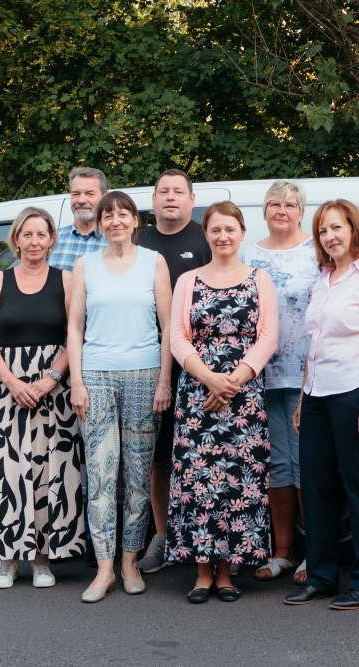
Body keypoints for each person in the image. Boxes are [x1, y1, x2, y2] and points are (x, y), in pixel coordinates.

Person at [284, 199, 359, 611]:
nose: (330, 237)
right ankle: (322, 577)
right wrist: (301, 398)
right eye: (323, 231)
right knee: (314, 488)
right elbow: (314, 347)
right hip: (315, 397)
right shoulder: (323, 279)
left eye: (336, 228)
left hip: (355, 394)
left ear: (354, 230)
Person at [166, 201, 279, 603]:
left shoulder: (258, 278)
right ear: (206, 234)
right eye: (215, 230)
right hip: (197, 394)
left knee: (237, 482)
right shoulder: (189, 280)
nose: (223, 236)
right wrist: (209, 378)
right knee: (199, 483)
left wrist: (234, 381)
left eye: (230, 229)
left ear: (242, 233)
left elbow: (267, 336)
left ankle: (228, 572)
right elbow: (177, 336)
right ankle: (201, 572)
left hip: (244, 395)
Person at [0, 207, 85, 589]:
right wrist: (13, 383)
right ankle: (5, 560)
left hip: (54, 390)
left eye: (41, 234)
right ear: (16, 240)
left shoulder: (66, 281)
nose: (34, 241)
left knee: (49, 473)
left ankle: (41, 560)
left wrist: (51, 378)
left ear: (52, 240)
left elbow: (75, 337)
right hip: (8, 390)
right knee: (5, 472)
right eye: (27, 234)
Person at [68, 191, 173, 603]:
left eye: (122, 214)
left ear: (135, 221)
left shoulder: (153, 262)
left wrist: (165, 380)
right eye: (106, 215)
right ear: (100, 222)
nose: (114, 221)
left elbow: (168, 326)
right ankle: (105, 568)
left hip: (145, 375)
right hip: (95, 375)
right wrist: (76, 381)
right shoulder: (85, 265)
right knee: (100, 475)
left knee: (138, 475)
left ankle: (131, 561)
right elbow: (75, 328)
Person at [240, 180, 318, 584]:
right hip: (260, 375)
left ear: (301, 212)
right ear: (265, 210)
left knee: (307, 464)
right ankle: (283, 551)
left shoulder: (315, 250)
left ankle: (313, 553)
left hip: (308, 375)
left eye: (290, 204)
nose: (282, 210)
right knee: (277, 466)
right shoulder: (248, 253)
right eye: (275, 204)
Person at [135, 169, 213, 575]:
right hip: (148, 364)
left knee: (203, 455)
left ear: (191, 198)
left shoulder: (207, 237)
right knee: (159, 456)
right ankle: (162, 537)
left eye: (178, 192)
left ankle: (205, 540)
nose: (170, 198)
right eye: (163, 191)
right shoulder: (137, 240)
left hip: (202, 369)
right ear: (152, 200)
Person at [49, 167, 109, 272]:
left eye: (90, 193)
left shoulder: (116, 241)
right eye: (76, 194)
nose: (81, 200)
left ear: (105, 198)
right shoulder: (51, 240)